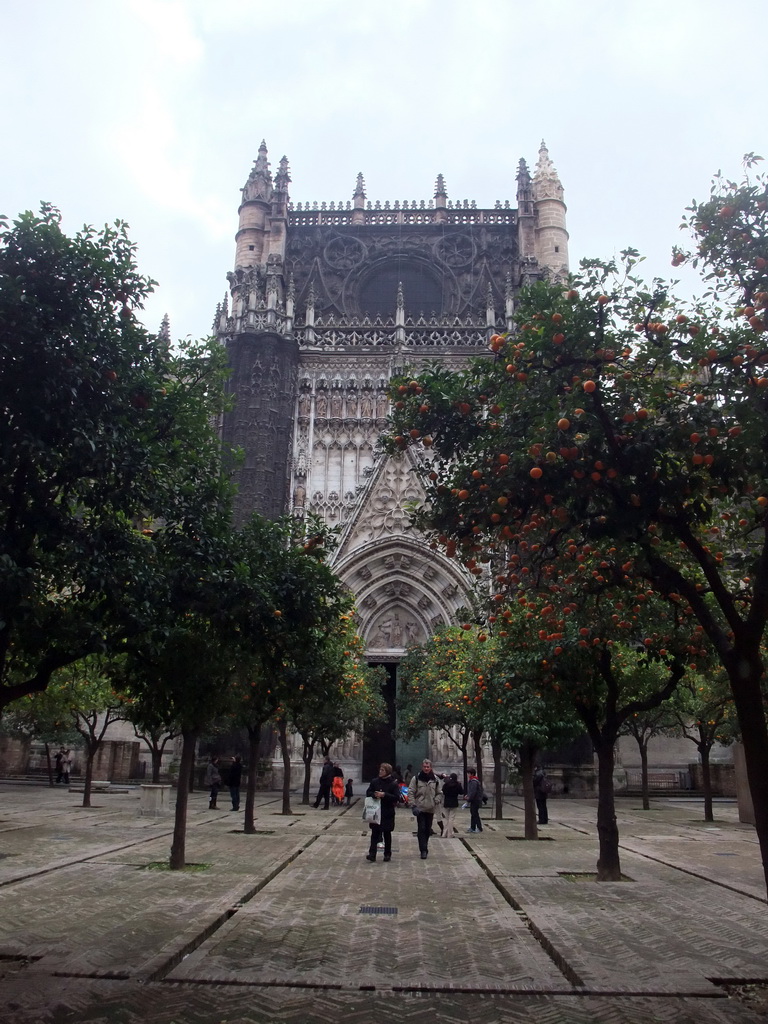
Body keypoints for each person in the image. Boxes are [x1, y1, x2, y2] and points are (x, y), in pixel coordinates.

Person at [365, 762, 401, 862]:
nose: (380, 772)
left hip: (387, 812)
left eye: (382, 770)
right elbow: (368, 792)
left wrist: (384, 795)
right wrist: (374, 795)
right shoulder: (375, 781)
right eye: (380, 770)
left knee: (387, 833)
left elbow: (396, 797)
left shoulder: (393, 783)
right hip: (376, 811)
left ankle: (387, 854)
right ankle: (372, 854)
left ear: (387, 772)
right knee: (374, 833)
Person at [408, 758, 442, 859]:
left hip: (431, 808)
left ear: (431, 767)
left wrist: (436, 800)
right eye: (424, 766)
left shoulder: (435, 779)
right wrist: (413, 805)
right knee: (421, 828)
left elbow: (440, 792)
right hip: (420, 808)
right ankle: (423, 850)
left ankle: (425, 845)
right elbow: (410, 792)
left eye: (428, 767)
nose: (426, 768)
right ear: (422, 767)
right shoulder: (416, 778)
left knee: (427, 829)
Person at [440, 772, 462, 839]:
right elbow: (461, 792)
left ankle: (444, 833)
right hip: (454, 802)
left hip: (446, 802)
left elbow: (443, 791)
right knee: (451, 819)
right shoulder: (458, 784)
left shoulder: (446, 784)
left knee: (446, 818)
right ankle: (450, 834)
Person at [465, 769, 484, 833]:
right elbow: (471, 791)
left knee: (475, 814)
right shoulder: (472, 781)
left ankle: (479, 827)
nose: (468, 775)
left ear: (472, 774)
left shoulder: (473, 782)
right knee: (473, 813)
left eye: (468, 773)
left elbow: (473, 792)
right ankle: (472, 827)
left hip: (475, 800)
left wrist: (469, 798)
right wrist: (468, 795)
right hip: (474, 799)